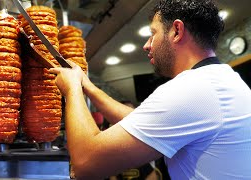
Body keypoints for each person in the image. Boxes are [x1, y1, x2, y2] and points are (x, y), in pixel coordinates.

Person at [49, 0, 251, 179]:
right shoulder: (218, 80)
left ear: (177, 31)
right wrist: (88, 87)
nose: (146, 45)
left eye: (153, 34)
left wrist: (72, 89)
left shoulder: (193, 89)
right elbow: (138, 120)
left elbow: (85, 164)